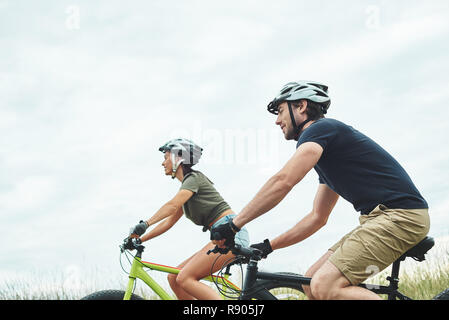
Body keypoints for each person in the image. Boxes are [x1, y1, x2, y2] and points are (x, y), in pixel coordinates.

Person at [211, 81, 429, 300]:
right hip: (380, 219)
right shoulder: (329, 157)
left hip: (401, 216)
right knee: (311, 282)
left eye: (280, 111)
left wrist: (233, 225)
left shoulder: (320, 130)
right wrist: (268, 246)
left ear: (302, 106)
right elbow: (317, 217)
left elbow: (283, 181)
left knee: (325, 285)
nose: (277, 121)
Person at [129, 138, 249, 300]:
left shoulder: (193, 179)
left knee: (184, 278)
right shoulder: (187, 189)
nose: (163, 163)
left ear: (177, 158)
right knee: (174, 278)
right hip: (220, 236)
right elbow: (168, 222)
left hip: (231, 233)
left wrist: (145, 223)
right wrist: (140, 239)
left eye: (165, 158)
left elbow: (172, 205)